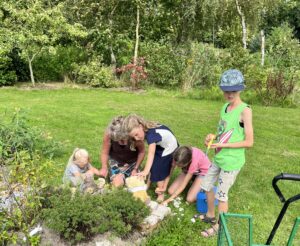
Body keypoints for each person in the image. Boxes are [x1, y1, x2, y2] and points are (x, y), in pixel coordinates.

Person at [199, 69, 254, 238]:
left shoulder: (245, 111)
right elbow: (223, 131)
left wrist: (223, 144)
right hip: (219, 157)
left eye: (233, 90)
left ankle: (219, 227)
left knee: (221, 195)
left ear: (240, 89)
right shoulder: (225, 107)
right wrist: (212, 137)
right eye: (226, 90)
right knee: (206, 185)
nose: (229, 94)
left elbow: (249, 142)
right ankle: (210, 215)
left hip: (232, 161)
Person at [122, 114, 178, 202]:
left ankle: (161, 193)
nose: (136, 138)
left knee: (158, 170)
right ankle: (147, 185)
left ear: (140, 126)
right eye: (134, 137)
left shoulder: (151, 135)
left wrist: (146, 171)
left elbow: (151, 153)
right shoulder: (146, 129)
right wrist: (147, 168)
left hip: (169, 148)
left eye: (136, 134)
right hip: (162, 145)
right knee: (152, 164)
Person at [99, 116, 145, 187]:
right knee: (117, 184)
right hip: (116, 161)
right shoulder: (109, 134)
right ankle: (119, 176)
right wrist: (104, 167)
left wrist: (136, 168)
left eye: (122, 139)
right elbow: (105, 152)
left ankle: (128, 176)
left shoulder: (134, 134)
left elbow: (142, 152)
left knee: (136, 184)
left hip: (133, 162)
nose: (120, 141)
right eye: (117, 139)